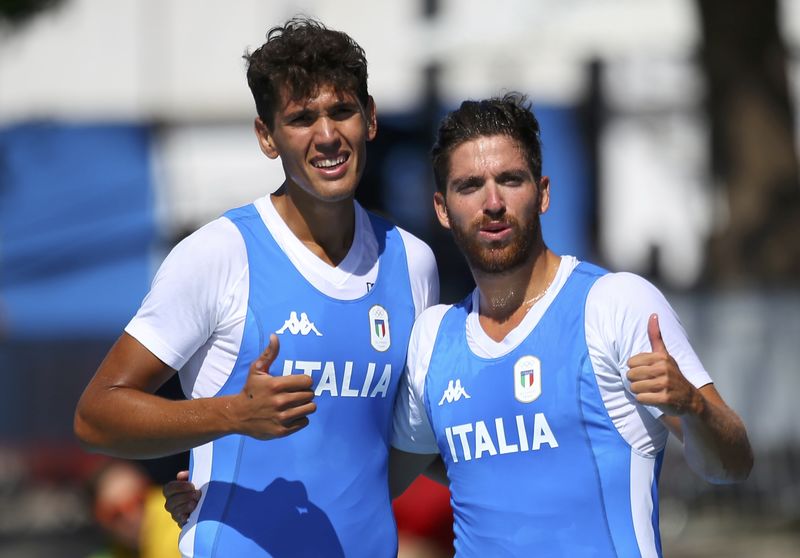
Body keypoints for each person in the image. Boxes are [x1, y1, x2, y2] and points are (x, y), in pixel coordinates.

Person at [74, 17, 438, 558]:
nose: (327, 135)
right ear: (267, 137)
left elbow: (406, 444)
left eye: (342, 111)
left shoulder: (413, 262)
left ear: (371, 119)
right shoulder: (219, 253)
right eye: (300, 119)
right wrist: (233, 415)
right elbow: (96, 415)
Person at [387, 93, 753, 556]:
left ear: (543, 193)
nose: (493, 202)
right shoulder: (434, 338)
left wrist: (694, 407)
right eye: (470, 186)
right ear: (442, 209)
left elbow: (734, 463)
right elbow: (373, 488)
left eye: (510, 180)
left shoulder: (613, 303)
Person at [87, 459, 181, 558]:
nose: (130, 517)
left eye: (136, 501)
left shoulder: (177, 529)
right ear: (100, 521)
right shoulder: (118, 548)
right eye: (116, 514)